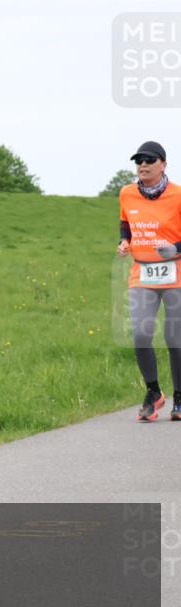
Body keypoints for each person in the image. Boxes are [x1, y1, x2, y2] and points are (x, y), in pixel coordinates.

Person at [116, 140, 181, 422]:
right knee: (141, 334)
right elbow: (126, 224)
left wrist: (175, 248)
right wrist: (124, 241)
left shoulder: (178, 195)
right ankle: (154, 393)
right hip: (142, 273)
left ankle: (180, 397)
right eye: (138, 161)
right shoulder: (127, 193)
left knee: (174, 337)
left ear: (163, 164)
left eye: (150, 160)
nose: (143, 165)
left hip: (176, 274)